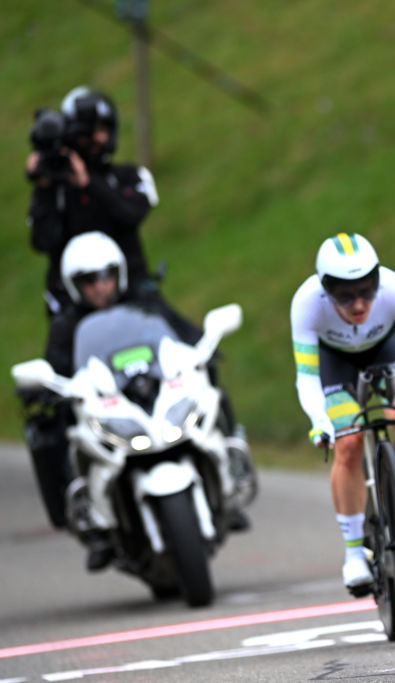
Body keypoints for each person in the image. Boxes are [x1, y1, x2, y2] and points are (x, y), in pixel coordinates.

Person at [31, 232, 254, 570]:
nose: (99, 287)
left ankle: (228, 472)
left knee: (211, 390)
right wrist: (47, 386)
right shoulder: (67, 324)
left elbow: (181, 333)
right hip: (105, 404)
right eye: (88, 281)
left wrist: (201, 348)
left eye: (106, 276)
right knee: (62, 427)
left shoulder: (144, 302)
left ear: (118, 274)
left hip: (152, 393)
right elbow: (56, 368)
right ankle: (93, 520)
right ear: (75, 286)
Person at [290, 232, 395, 591]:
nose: (358, 304)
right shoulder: (306, 303)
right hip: (336, 364)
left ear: (378, 280)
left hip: (388, 351)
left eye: (367, 290)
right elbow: (306, 378)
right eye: (345, 296)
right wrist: (320, 423)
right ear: (324, 289)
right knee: (347, 446)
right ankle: (353, 553)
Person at [26, 86, 159, 315]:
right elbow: (43, 241)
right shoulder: (55, 190)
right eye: (87, 134)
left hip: (135, 301)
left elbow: (131, 214)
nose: (98, 138)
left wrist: (90, 184)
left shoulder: (127, 176)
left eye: (103, 129)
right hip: (74, 312)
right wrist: (43, 189)